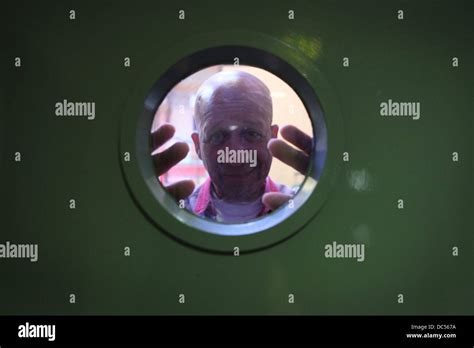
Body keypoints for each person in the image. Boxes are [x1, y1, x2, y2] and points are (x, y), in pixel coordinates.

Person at [151, 71, 312, 223]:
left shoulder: (301, 209)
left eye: (251, 134)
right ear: (198, 145)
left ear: (273, 137)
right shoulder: (172, 214)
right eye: (217, 136)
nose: (235, 153)